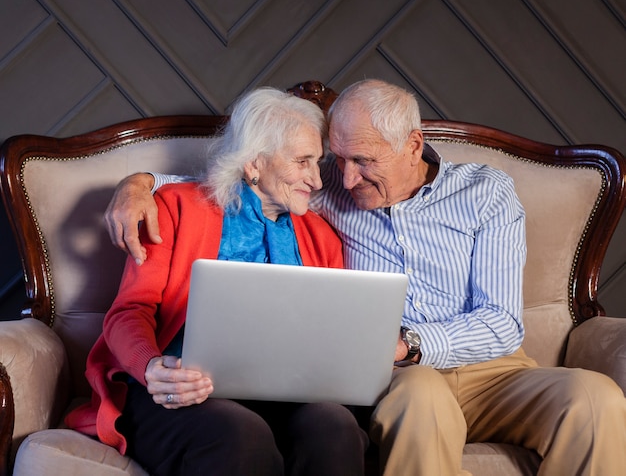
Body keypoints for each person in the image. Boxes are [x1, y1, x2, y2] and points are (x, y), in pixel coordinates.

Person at [104, 79, 626, 476]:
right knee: (403, 402)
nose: (339, 177)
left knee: (597, 398)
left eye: (360, 161)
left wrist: (407, 343)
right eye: (327, 160)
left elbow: (502, 322)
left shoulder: (478, 194)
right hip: (387, 378)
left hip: (481, 364)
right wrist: (136, 183)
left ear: (414, 145)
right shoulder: (303, 196)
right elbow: (214, 187)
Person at [66, 87, 368, 476]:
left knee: (336, 427)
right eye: (302, 162)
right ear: (254, 164)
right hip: (179, 392)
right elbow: (129, 312)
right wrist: (151, 366)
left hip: (286, 395)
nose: (316, 180)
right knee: (240, 432)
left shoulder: (321, 236)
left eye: (318, 162)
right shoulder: (176, 209)